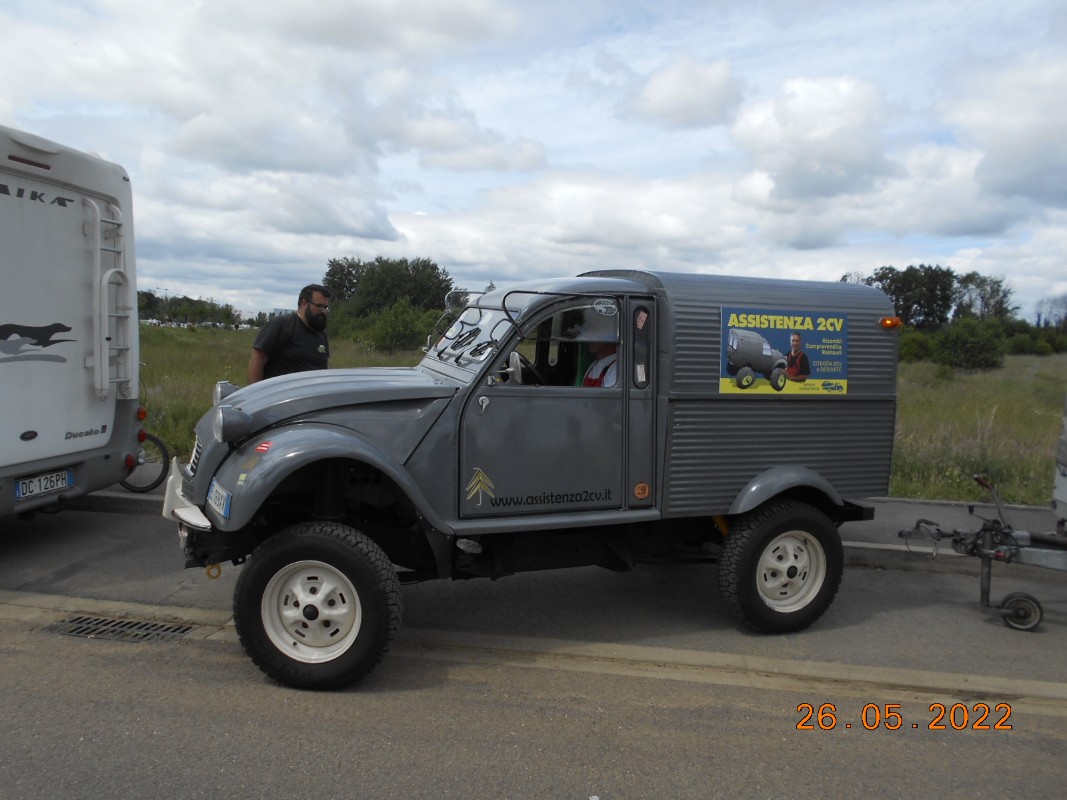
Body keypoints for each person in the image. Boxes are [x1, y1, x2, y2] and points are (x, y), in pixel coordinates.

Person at [247, 284, 331, 383]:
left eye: (326, 307)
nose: (324, 312)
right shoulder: (281, 325)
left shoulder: (320, 334)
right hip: (281, 392)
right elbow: (257, 360)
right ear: (304, 304)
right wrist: (257, 391)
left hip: (312, 392)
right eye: (320, 307)